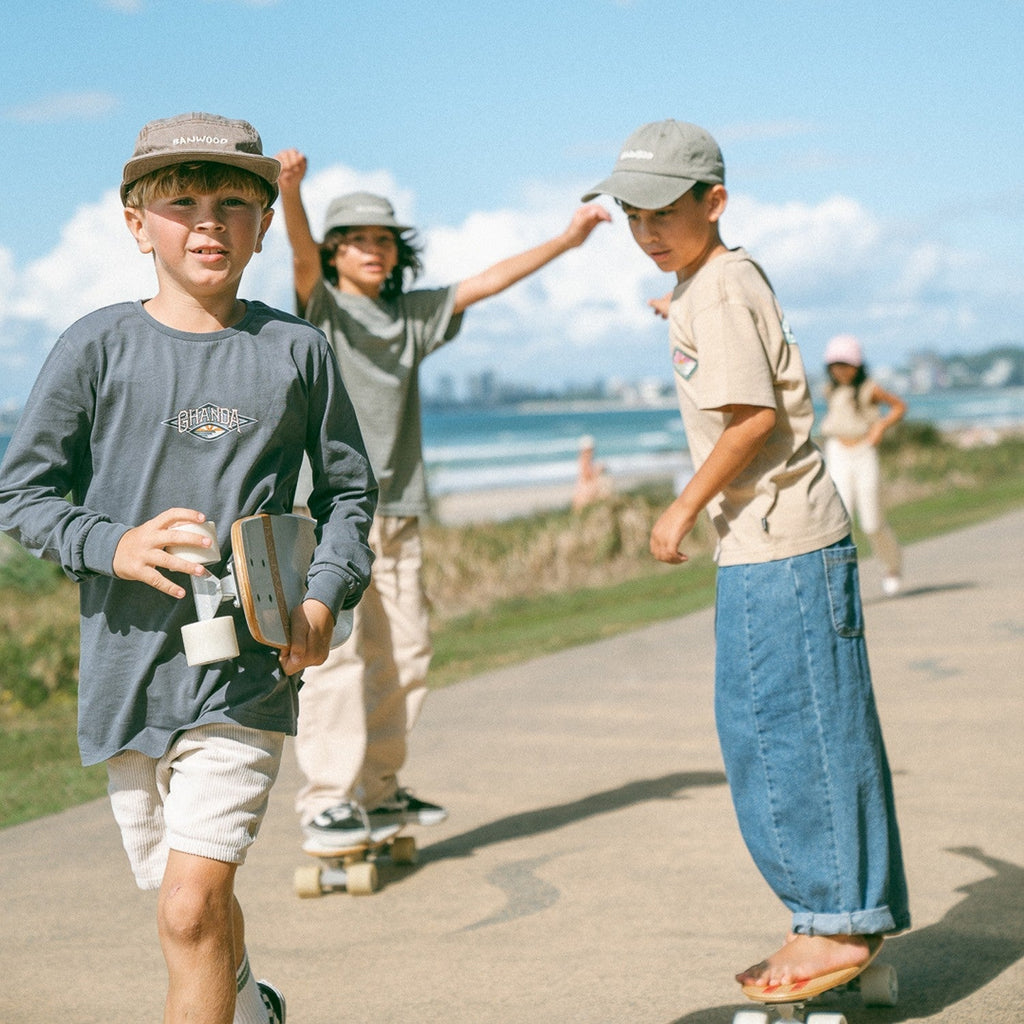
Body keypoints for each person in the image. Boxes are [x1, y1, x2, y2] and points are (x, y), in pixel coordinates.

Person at [0, 113, 377, 1024]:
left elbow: (350, 498)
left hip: (244, 669)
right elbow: (23, 495)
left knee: (187, 908)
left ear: (262, 220)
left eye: (233, 203)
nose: (207, 222)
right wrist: (112, 545)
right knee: (191, 903)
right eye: (181, 204)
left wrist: (323, 599)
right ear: (138, 224)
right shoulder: (96, 347)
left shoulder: (296, 351)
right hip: (128, 675)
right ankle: (252, 1005)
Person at [582, 120, 909, 997]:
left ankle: (834, 924)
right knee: (803, 727)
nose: (644, 229)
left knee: (784, 735)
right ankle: (842, 914)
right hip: (779, 544)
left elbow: (753, 418)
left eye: (662, 210)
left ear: (713, 201)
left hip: (777, 545)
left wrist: (682, 504)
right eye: (630, 211)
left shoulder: (719, 287)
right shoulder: (709, 283)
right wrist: (680, 300)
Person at [274, 148, 610, 846]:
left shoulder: (412, 317)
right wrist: (290, 192)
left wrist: (568, 240)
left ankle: (380, 791)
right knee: (338, 655)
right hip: (332, 512)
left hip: (400, 513)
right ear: (338, 252)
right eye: (359, 240)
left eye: (384, 240)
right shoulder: (323, 310)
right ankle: (327, 803)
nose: (374, 250)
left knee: (409, 654)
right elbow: (301, 258)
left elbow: (487, 282)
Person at [820, 334, 907, 596]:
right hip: (837, 452)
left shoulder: (869, 388)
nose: (840, 371)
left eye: (845, 365)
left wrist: (880, 426)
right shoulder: (829, 390)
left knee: (871, 521)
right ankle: (841, 581)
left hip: (863, 451)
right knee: (841, 518)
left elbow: (899, 407)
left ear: (857, 365)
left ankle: (891, 566)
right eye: (835, 366)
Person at [572, 434, 614, 510]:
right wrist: (598, 470)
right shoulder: (584, 459)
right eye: (590, 450)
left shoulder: (585, 459)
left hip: (586, 490)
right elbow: (587, 475)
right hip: (585, 492)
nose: (592, 452)